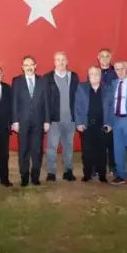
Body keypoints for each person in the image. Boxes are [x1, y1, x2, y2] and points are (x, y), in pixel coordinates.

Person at [13, 55, 51, 186]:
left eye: (31, 65)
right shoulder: (17, 81)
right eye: (26, 65)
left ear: (35, 66)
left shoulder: (43, 81)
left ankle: (35, 177)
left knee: (37, 150)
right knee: (23, 149)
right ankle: (24, 176)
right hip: (22, 122)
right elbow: (14, 102)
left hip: (38, 121)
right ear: (22, 67)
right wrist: (15, 121)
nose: (29, 67)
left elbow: (46, 102)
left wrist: (47, 121)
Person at [43, 52, 79, 181]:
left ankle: (68, 171)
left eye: (63, 59)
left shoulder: (73, 76)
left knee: (68, 146)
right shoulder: (47, 78)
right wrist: (46, 119)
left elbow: (78, 97)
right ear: (54, 62)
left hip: (70, 120)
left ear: (67, 61)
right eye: (58, 60)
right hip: (54, 120)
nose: (61, 62)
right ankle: (51, 173)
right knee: (52, 147)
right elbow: (45, 100)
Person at [74, 66, 109, 181]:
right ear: (88, 76)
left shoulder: (107, 88)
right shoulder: (82, 87)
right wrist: (79, 123)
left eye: (96, 74)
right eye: (91, 74)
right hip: (86, 125)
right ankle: (87, 175)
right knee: (87, 152)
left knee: (102, 152)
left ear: (100, 76)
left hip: (102, 126)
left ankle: (102, 175)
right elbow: (77, 106)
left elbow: (111, 107)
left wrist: (109, 123)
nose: (94, 76)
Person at [97, 49, 119, 173]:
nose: (104, 58)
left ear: (111, 57)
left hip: (113, 112)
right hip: (98, 112)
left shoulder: (117, 72)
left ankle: (112, 166)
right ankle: (98, 166)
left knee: (112, 142)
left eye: (107, 56)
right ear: (98, 57)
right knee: (98, 142)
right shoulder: (94, 72)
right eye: (102, 56)